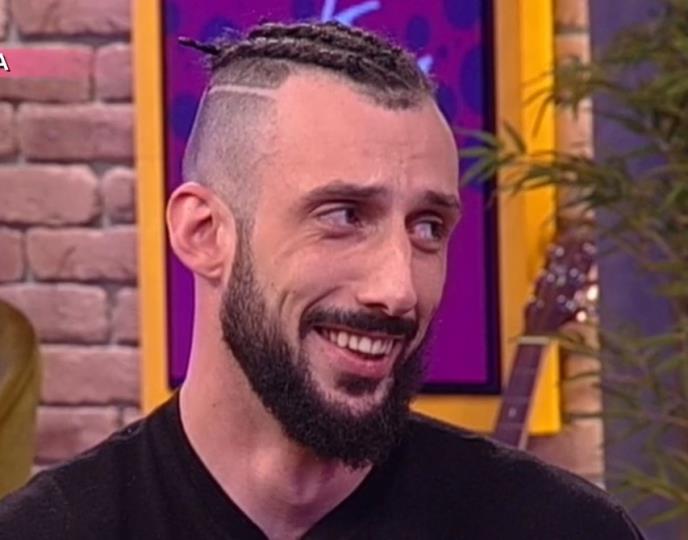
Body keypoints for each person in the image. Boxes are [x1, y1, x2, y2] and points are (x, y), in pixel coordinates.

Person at [0, 21, 644, 540]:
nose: (398, 289)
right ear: (204, 233)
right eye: (344, 216)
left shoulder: (561, 528)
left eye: (427, 227)